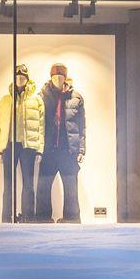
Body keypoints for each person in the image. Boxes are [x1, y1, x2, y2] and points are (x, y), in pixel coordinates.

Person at [0, 63, 44, 223]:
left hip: (28, 146)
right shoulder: (5, 100)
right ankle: (7, 218)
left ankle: (28, 217)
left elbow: (41, 126)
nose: (20, 79)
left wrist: (40, 149)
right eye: (17, 77)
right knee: (8, 184)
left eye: (23, 77)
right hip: (9, 146)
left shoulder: (36, 100)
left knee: (28, 184)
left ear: (27, 79)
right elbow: (0, 126)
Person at [36, 64, 87, 223]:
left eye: (61, 76)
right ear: (50, 77)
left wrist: (81, 149)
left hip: (68, 150)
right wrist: (38, 149)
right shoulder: (42, 96)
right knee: (43, 187)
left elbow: (82, 126)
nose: (58, 79)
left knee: (71, 187)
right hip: (48, 149)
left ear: (65, 78)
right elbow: (38, 124)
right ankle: (43, 219)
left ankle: (72, 219)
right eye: (55, 76)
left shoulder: (76, 97)